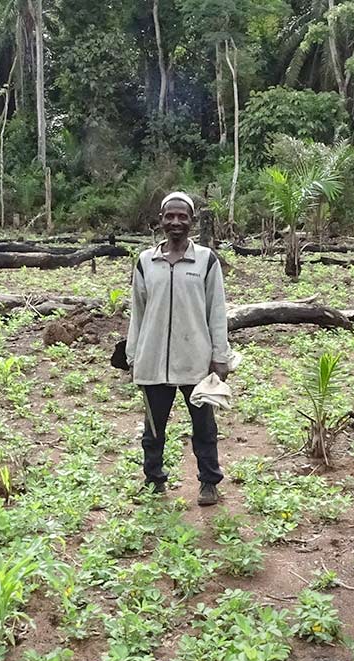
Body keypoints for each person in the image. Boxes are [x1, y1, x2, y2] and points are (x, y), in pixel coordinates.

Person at [125, 191, 230, 506]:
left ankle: (209, 482)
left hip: (195, 361)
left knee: (204, 427)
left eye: (182, 216)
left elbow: (216, 311)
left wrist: (219, 356)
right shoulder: (146, 262)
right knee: (153, 429)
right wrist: (133, 356)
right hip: (153, 359)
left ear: (192, 222)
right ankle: (154, 480)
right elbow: (138, 312)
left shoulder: (206, 261)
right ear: (160, 221)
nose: (175, 222)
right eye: (169, 216)